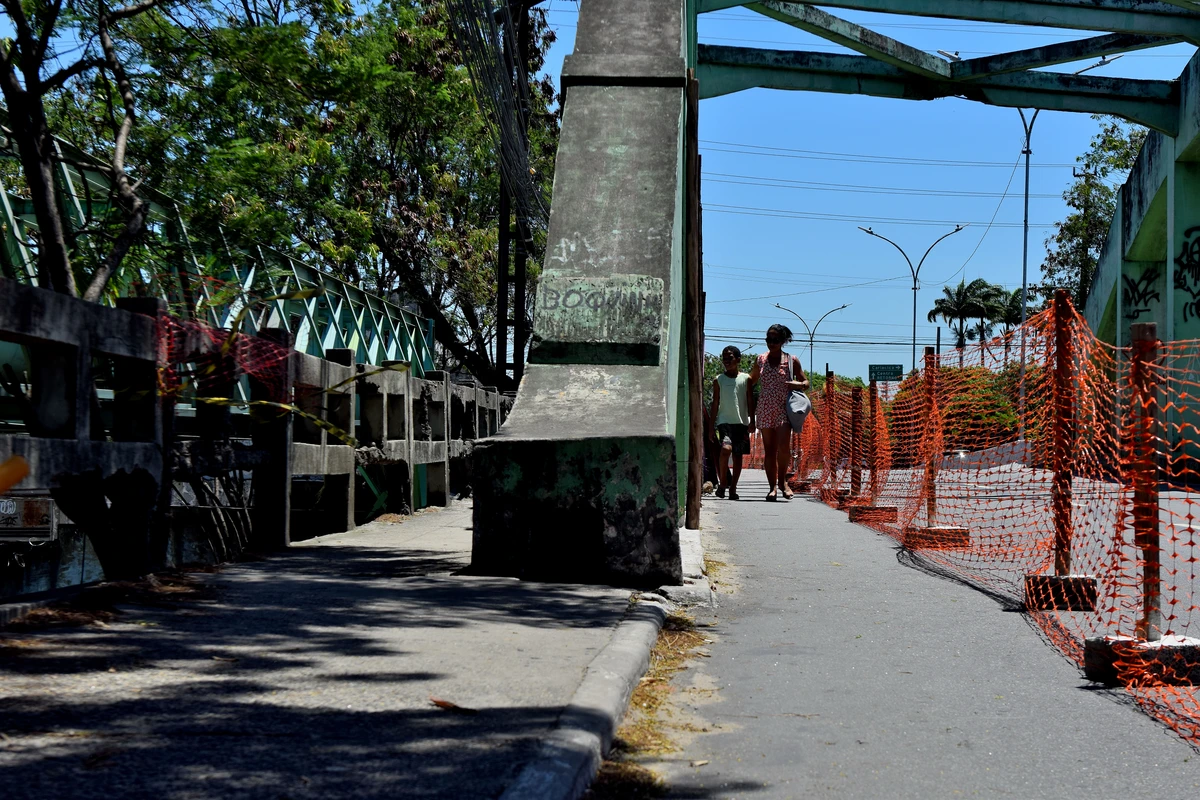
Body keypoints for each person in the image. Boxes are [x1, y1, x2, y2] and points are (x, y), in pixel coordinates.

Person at [749, 324, 809, 501]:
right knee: (770, 450)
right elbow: (751, 381)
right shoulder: (760, 359)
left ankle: (783, 482)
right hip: (765, 408)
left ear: (783, 341)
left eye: (775, 340)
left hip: (784, 409)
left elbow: (805, 382)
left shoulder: (792, 360)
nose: (771, 343)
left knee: (783, 448)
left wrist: (797, 384)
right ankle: (772, 488)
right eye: (768, 339)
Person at [708, 345, 754, 501]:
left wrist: (752, 421)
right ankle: (723, 484)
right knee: (725, 449)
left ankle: (733, 488)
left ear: (738, 359)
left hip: (741, 423)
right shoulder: (718, 380)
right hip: (724, 422)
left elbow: (749, 400)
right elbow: (715, 404)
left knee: (737, 456)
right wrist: (711, 427)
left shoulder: (746, 379)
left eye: (730, 358)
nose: (727, 361)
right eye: (724, 358)